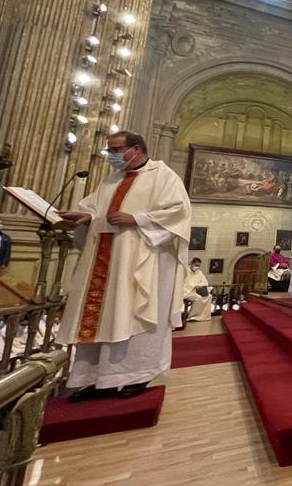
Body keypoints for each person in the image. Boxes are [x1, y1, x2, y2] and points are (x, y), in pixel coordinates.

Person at [58, 130, 192, 400]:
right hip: (105, 259)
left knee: (134, 313)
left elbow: (179, 213)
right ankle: (95, 377)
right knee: (103, 315)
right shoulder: (111, 180)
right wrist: (86, 216)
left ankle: (138, 374)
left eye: (117, 150)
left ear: (137, 149)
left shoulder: (164, 176)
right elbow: (98, 209)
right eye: (110, 150)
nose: (112, 155)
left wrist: (138, 220)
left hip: (143, 261)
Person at [183, 257, 212, 322]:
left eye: (198, 266)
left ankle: (203, 316)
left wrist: (199, 285)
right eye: (196, 265)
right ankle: (192, 316)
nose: (197, 267)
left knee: (209, 296)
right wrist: (193, 286)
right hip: (186, 291)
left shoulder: (199, 272)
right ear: (191, 263)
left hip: (197, 291)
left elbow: (205, 282)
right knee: (198, 298)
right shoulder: (185, 271)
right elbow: (182, 282)